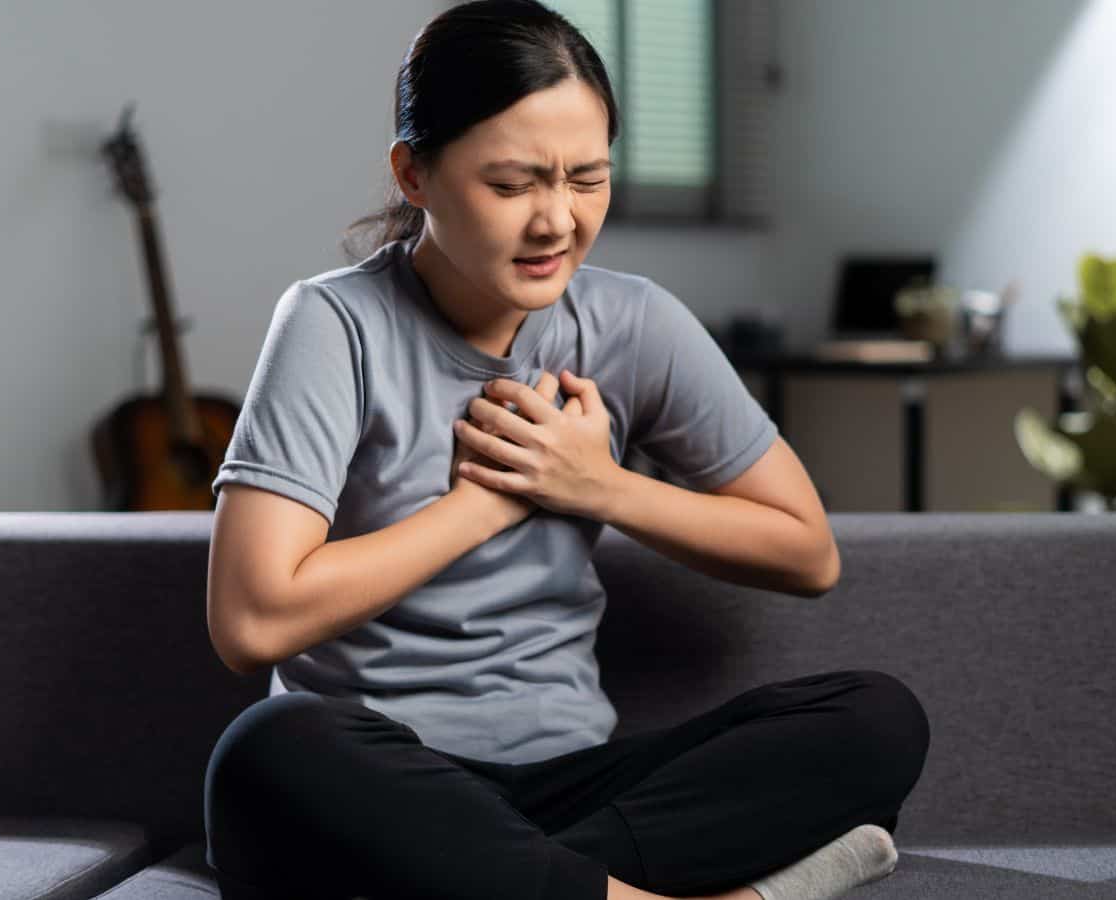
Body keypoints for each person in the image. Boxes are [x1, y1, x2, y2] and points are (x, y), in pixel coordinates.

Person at [202, 2, 930, 898]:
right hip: (381, 778)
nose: (558, 222)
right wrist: (486, 503)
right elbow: (251, 625)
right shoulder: (332, 324)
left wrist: (598, 486)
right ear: (415, 173)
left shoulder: (634, 322)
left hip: (569, 786)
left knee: (877, 719)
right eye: (512, 185)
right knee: (269, 750)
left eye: (587, 179)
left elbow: (807, 553)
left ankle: (515, 886)